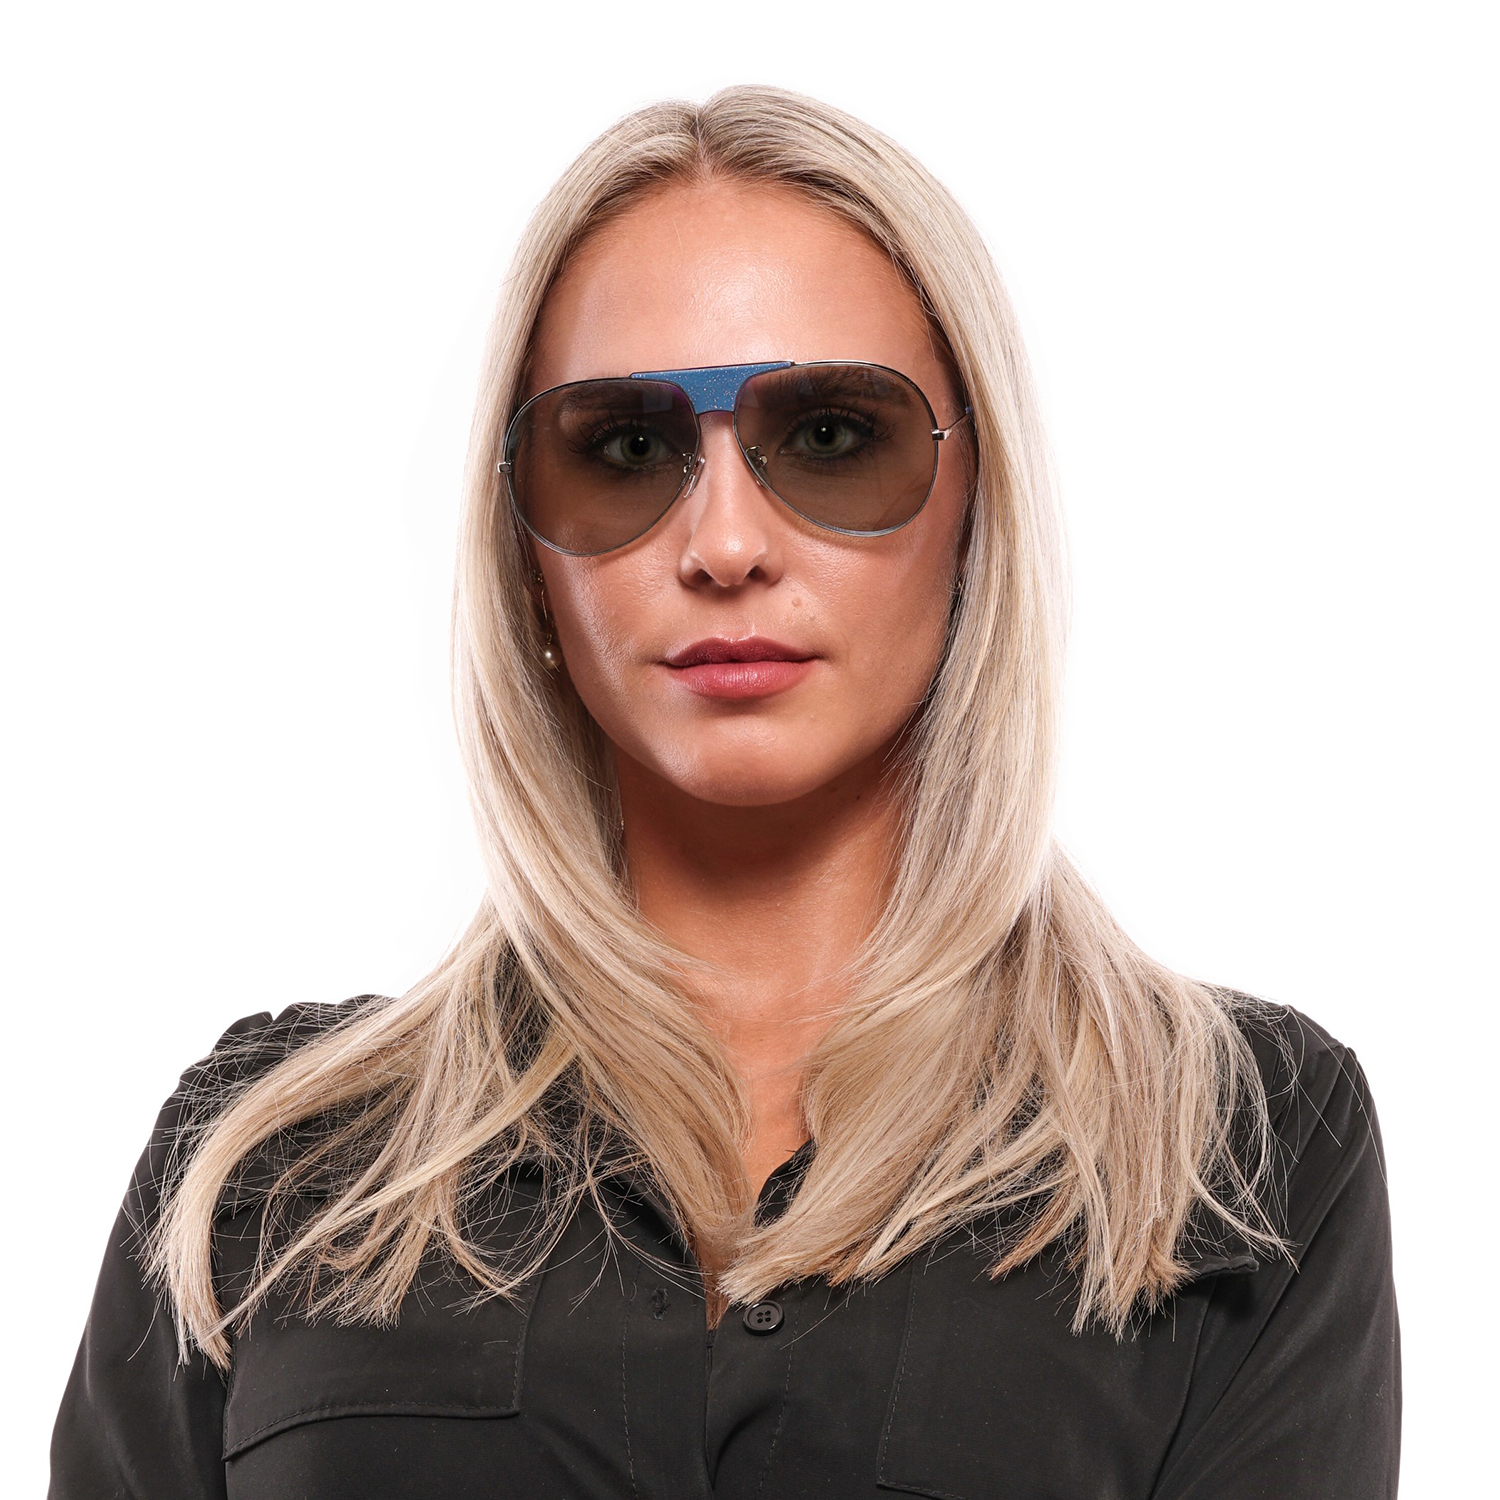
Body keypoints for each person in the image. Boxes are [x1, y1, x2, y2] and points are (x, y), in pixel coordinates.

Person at [49, 85, 1400, 1498]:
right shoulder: (272, 1166)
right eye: (627, 448)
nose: (726, 543)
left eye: (832, 437)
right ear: (524, 549)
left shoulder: (1230, 1149)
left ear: (976, 506)